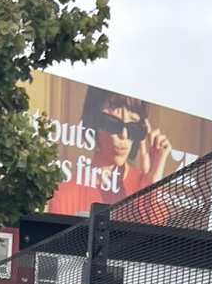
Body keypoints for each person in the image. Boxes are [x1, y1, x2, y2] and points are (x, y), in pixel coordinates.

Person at [54, 88, 174, 220]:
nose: (124, 135)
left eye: (133, 129)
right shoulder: (66, 192)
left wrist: (152, 186)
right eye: (111, 123)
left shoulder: (144, 185)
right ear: (93, 122)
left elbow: (157, 239)